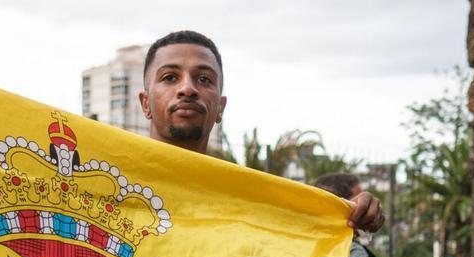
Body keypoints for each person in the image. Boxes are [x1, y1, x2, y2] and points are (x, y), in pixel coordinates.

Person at [138, 31, 385, 232]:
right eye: (170, 77)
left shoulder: (249, 203)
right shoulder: (106, 180)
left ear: (220, 108)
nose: (188, 88)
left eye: (204, 79)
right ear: (145, 103)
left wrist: (347, 212)